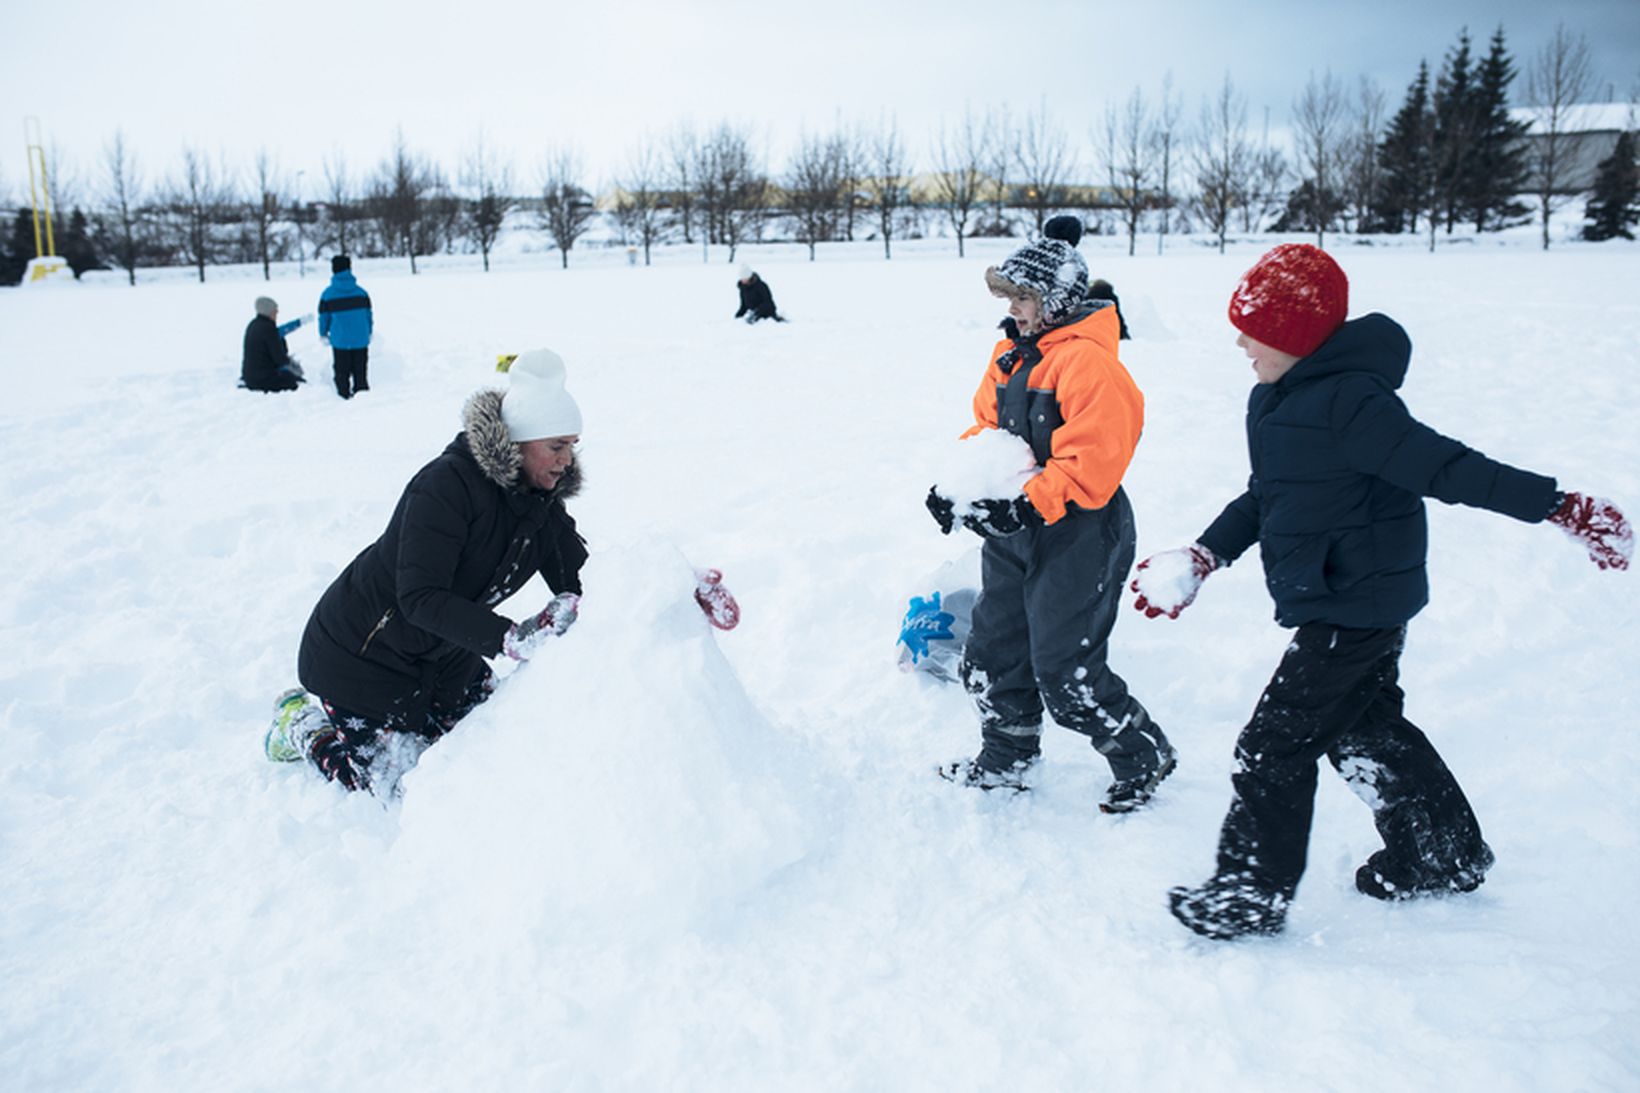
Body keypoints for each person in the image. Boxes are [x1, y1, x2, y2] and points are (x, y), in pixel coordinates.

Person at [1133, 243, 1633, 940]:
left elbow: (1449, 468)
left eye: (1257, 329)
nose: (1241, 341)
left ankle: (1249, 894)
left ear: (1300, 339)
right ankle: (1439, 851)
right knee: (1364, 729)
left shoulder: (1352, 404)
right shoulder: (1277, 399)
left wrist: (1556, 505)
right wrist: (1205, 552)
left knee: (1272, 746)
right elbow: (1267, 494)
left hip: (1356, 602)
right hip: (1348, 594)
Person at [925, 217, 1176, 813]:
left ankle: (1143, 755)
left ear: (1056, 301)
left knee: (1064, 670)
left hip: (1081, 531)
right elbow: (987, 431)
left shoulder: (1091, 365)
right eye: (1009, 298)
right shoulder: (1010, 356)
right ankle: (1007, 757)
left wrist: (1024, 506)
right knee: (992, 651)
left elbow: (1093, 463)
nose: (1013, 309)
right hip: (1016, 529)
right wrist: (957, 487)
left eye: (1024, 298)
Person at [266, 349, 589, 792]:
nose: (566, 460)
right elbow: (419, 597)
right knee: (403, 788)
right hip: (360, 657)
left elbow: (584, 582)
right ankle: (304, 726)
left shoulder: (541, 503)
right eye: (556, 446)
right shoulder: (446, 487)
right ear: (517, 443)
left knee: (492, 749)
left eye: (572, 445)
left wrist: (662, 590)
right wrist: (511, 638)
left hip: (446, 652)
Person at [1042, 215, 1131, 339]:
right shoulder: (1069, 259)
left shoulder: (1041, 255)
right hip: (1060, 311)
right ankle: (1121, 333)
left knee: (1101, 286)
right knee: (1103, 290)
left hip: (1051, 306)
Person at [318, 254, 373, 398]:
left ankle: (343, 401)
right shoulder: (362, 293)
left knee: (342, 375)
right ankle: (363, 401)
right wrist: (369, 332)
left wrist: (323, 334)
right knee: (360, 374)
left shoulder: (328, 295)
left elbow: (324, 318)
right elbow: (368, 316)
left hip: (340, 341)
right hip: (361, 340)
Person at [240, 297, 304, 392]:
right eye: (275, 311)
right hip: (263, 379)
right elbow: (280, 359)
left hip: (249, 376)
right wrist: (293, 366)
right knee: (294, 381)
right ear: (268, 312)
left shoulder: (253, 324)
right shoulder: (269, 329)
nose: (277, 313)